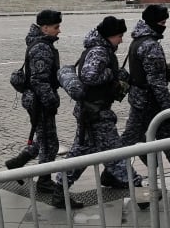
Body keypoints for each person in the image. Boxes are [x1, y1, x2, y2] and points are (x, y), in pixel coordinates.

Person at [53, 16, 133, 209]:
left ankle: (59, 191)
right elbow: (89, 75)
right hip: (95, 113)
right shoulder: (99, 51)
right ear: (109, 35)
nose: (121, 40)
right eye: (119, 36)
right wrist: (112, 75)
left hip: (93, 111)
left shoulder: (100, 48)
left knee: (81, 154)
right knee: (115, 153)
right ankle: (138, 190)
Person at [120, 5, 170, 218]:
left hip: (139, 103)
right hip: (152, 105)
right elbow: (158, 84)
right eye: (162, 23)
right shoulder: (150, 46)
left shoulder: (137, 40)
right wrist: (167, 111)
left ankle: (119, 172)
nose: (164, 26)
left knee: (130, 141)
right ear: (152, 22)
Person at [4, 9, 63, 194]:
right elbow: (39, 80)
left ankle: (17, 162)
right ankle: (44, 181)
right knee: (50, 143)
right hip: (39, 101)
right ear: (44, 28)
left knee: (44, 137)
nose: (59, 30)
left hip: (36, 99)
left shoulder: (41, 43)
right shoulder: (42, 47)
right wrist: (51, 101)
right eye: (56, 27)